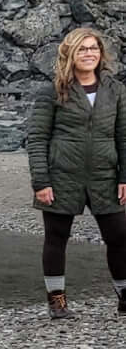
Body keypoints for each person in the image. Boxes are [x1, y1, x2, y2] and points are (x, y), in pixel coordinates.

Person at [25, 22, 126, 319]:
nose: (89, 53)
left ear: (101, 54)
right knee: (56, 238)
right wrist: (40, 181)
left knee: (120, 236)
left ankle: (124, 297)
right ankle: (57, 302)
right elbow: (37, 138)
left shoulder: (116, 90)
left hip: (105, 175)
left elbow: (123, 137)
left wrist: (125, 177)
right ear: (70, 53)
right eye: (82, 48)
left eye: (93, 48)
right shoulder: (52, 91)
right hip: (61, 176)